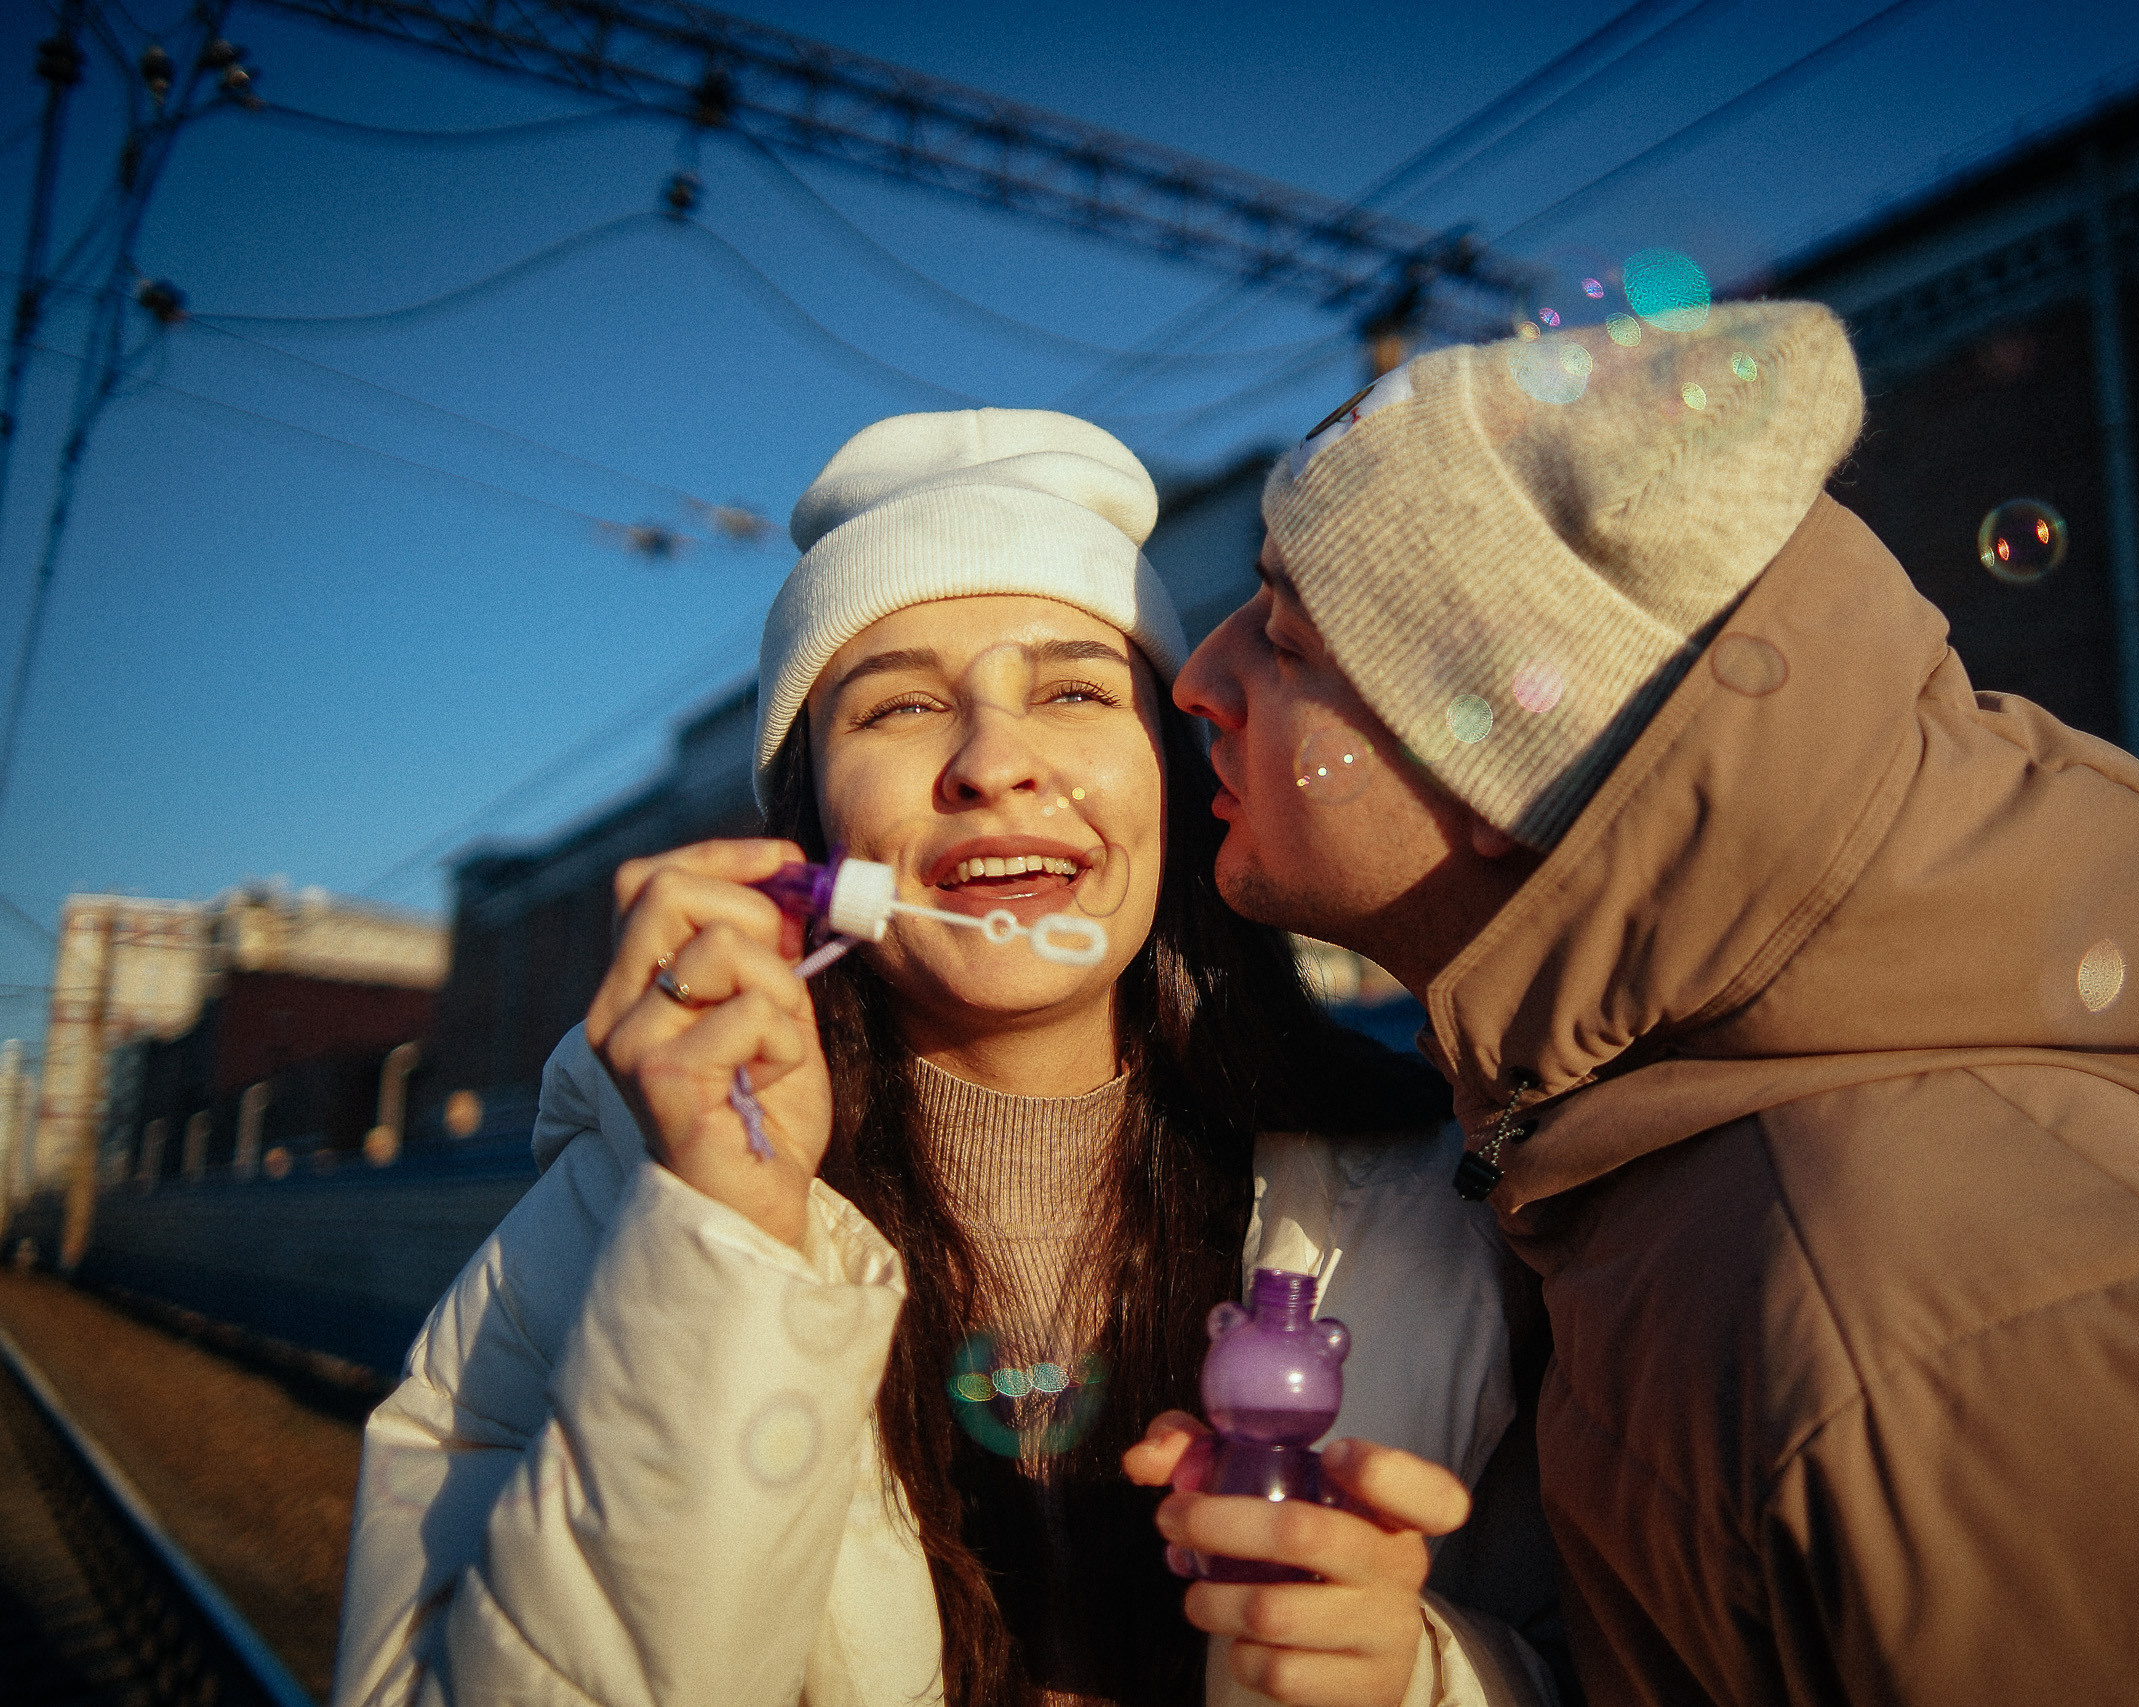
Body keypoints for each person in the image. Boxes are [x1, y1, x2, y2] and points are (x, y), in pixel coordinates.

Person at [1162, 304, 2139, 1704]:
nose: (1203, 679)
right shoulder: (1655, 1157)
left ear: (1497, 766)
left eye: (1287, 639)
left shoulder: (1937, 1320)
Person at [332, 410, 1563, 1707]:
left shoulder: (1446, 1215)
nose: (993, 764)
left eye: (1076, 691)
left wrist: (1419, 1679)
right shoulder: (619, 1220)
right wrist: (723, 1248)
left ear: (1175, 776)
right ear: (812, 827)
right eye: (902, 706)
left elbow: (1602, 1659)